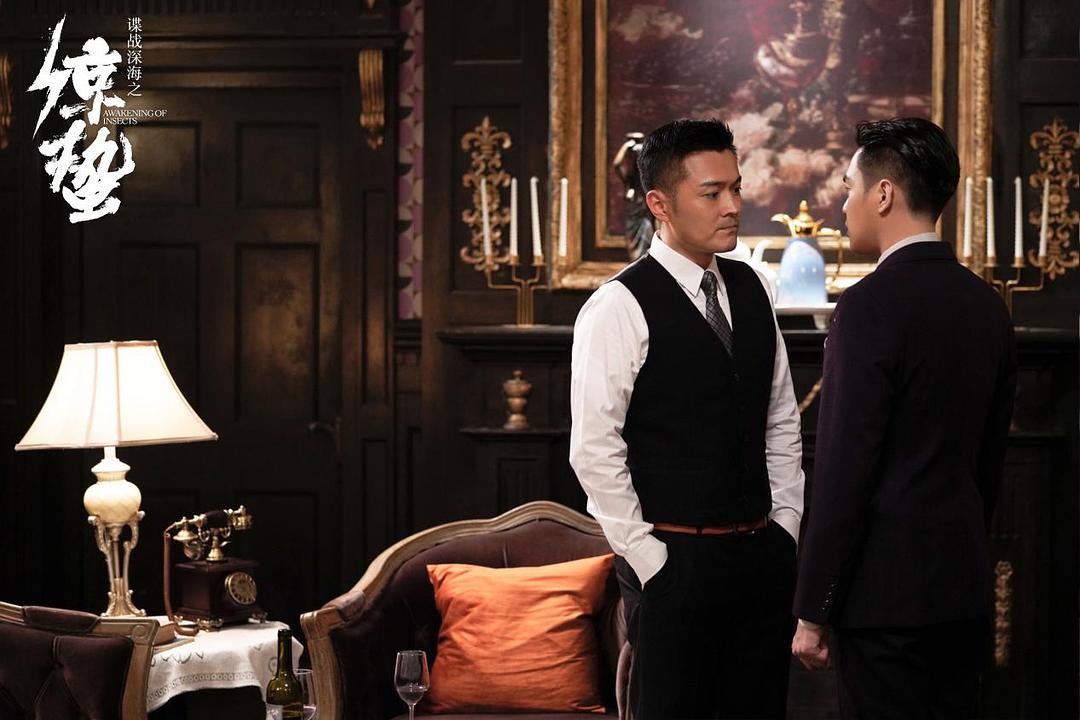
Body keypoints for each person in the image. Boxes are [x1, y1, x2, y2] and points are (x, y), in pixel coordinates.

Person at [569, 118, 805, 719]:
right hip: (673, 564)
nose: (733, 206)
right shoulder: (617, 305)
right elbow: (593, 449)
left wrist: (786, 527)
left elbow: (780, 419)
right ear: (659, 204)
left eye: (736, 188)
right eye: (712, 192)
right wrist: (651, 562)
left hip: (760, 559)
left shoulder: (754, 287)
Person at [791, 117, 1017, 719]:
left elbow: (844, 469)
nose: (844, 205)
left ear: (884, 193)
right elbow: (988, 462)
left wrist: (813, 609)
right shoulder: (988, 306)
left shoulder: (868, 306)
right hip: (962, 590)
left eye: (849, 188)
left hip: (882, 603)